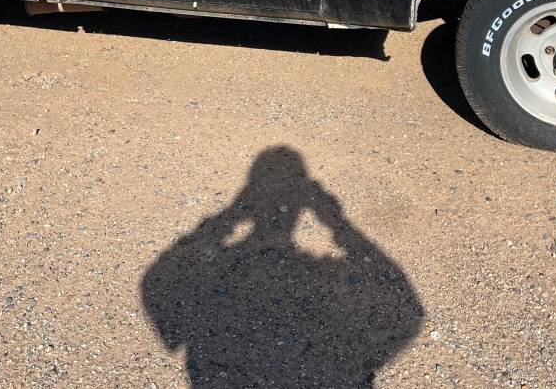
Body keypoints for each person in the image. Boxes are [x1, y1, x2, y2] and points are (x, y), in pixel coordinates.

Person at [142, 146, 423, 387]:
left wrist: (231, 216)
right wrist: (338, 224)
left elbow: (158, 283)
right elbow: (408, 311)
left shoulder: (221, 276)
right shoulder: (328, 283)